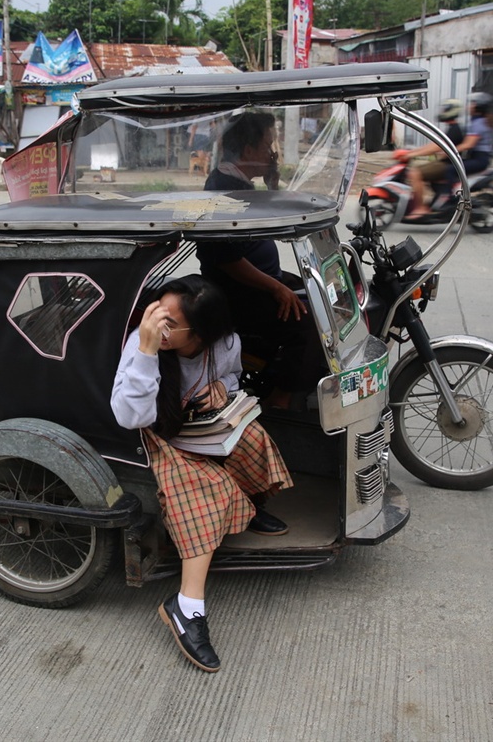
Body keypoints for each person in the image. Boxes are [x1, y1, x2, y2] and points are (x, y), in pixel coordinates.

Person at [111, 276, 293, 673]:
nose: (159, 323)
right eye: (158, 311)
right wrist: (146, 350)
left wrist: (221, 390)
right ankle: (187, 606)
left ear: (203, 332)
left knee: (253, 439)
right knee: (205, 488)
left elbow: (232, 377)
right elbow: (129, 416)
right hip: (157, 435)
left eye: (170, 322)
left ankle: (244, 507)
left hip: (202, 424)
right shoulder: (143, 343)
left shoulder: (225, 344)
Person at [199, 111, 322, 410]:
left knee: (320, 295)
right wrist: (276, 289)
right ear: (249, 150)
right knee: (312, 325)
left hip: (263, 280)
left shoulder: (240, 182)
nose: (272, 153)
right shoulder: (224, 188)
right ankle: (281, 401)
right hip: (238, 293)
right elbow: (228, 260)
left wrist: (272, 185)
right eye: (268, 145)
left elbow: (275, 224)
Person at [396, 93, 493, 215]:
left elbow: (467, 144)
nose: (469, 107)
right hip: (476, 158)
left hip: (480, 159)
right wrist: (412, 152)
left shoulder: (474, 124)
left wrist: (450, 151)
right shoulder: (466, 124)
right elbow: (436, 144)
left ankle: (448, 200)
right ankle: (438, 200)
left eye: (472, 104)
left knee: (447, 171)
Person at [393, 98, 465, 219]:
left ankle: (420, 208)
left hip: (448, 165)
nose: (442, 112)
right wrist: (411, 152)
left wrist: (411, 154)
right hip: (445, 163)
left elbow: (436, 147)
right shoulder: (452, 128)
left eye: (445, 109)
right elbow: (434, 145)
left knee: (415, 173)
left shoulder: (455, 129)